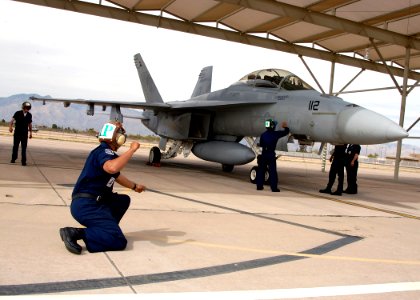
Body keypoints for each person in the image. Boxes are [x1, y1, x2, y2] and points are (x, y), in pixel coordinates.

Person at [59, 121, 146, 255]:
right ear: (115, 137)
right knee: (119, 241)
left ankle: (105, 229)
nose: (122, 139)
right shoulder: (103, 152)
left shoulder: (105, 153)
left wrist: (135, 186)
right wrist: (132, 150)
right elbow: (112, 168)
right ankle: (74, 233)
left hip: (94, 202)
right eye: (120, 135)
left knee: (123, 200)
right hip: (87, 205)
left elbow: (117, 175)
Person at [256, 119, 289, 192]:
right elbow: (286, 132)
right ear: (273, 126)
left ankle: (259, 186)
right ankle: (274, 188)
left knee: (261, 170)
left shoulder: (263, 135)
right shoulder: (275, 134)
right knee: (273, 171)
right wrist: (285, 127)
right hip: (271, 154)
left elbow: (261, 144)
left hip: (264, 154)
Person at [9, 101, 33, 166]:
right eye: (26, 107)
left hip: (25, 134)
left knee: (24, 148)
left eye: (28, 108)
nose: (27, 109)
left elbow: (30, 124)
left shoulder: (29, 115)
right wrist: (10, 127)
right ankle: (13, 158)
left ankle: (23, 161)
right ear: (23, 107)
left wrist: (30, 133)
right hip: (17, 133)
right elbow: (11, 121)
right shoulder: (17, 113)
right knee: (15, 147)